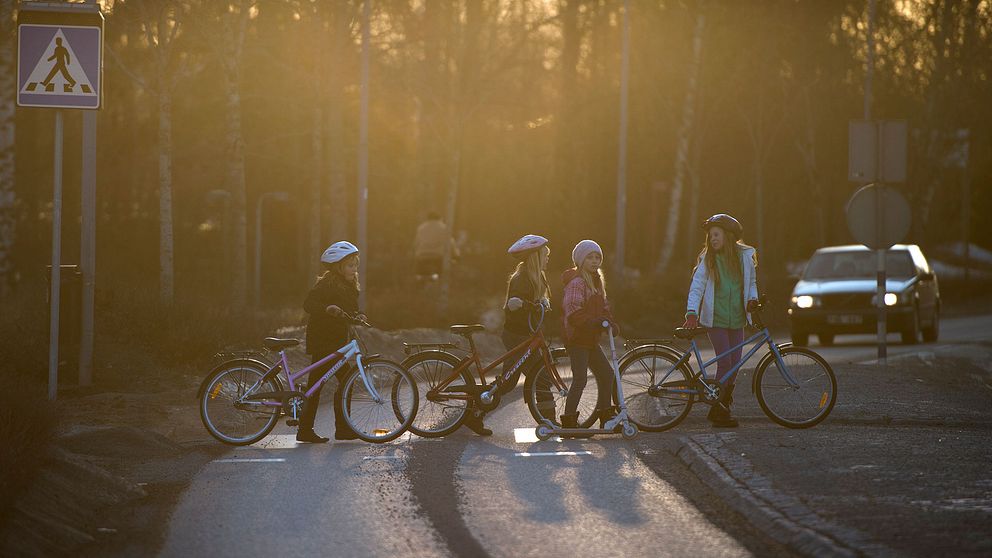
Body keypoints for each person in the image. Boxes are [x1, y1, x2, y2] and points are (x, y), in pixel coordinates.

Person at [461, 234, 553, 436]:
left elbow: (537, 305)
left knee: (538, 376)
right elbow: (513, 304)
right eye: (545, 255)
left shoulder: (539, 277)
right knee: (521, 379)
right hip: (517, 335)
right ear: (535, 257)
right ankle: (475, 414)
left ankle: (550, 421)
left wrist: (543, 304)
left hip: (526, 335)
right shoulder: (522, 279)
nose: (548, 258)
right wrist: (517, 303)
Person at [682, 214, 759, 428]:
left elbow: (751, 283)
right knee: (724, 362)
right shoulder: (709, 260)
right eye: (710, 236)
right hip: (715, 318)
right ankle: (718, 409)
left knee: (735, 363)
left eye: (717, 234)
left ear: (729, 235)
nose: (713, 239)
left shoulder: (744, 257)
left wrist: (753, 300)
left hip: (737, 318)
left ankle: (723, 402)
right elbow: (697, 286)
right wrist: (691, 312)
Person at [299, 241, 366, 443]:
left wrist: (360, 315)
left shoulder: (350, 287)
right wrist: (327, 308)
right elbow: (308, 304)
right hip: (323, 340)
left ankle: (314, 429)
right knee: (339, 381)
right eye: (349, 265)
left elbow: (351, 309)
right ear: (337, 267)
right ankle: (329, 429)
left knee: (330, 383)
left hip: (336, 342)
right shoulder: (326, 284)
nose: (354, 269)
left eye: (355, 265)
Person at [561, 240, 618, 434]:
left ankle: (605, 415)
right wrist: (592, 322)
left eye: (597, 257)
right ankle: (568, 420)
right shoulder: (577, 283)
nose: (594, 261)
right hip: (577, 338)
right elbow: (573, 311)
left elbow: (604, 307)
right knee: (580, 379)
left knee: (607, 374)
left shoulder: (597, 281)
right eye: (590, 257)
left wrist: (610, 322)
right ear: (580, 260)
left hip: (591, 339)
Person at [413, 211, 459, 281]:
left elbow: (416, 243)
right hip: (438, 256)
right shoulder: (444, 227)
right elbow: (451, 243)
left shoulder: (421, 228)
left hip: (422, 256)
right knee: (442, 275)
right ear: (440, 218)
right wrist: (456, 255)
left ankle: (419, 283)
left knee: (420, 276)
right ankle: (441, 283)